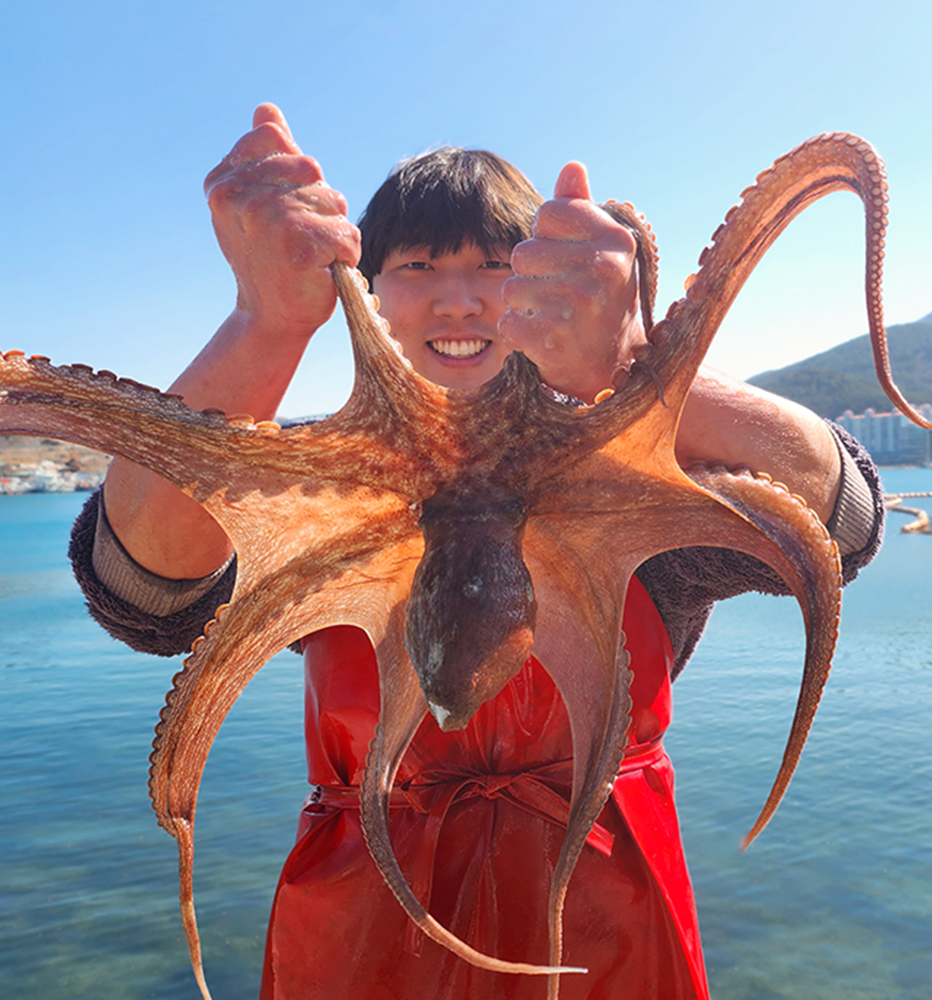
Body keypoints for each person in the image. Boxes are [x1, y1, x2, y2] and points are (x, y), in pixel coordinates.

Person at [69, 104, 883, 999]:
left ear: (543, 282)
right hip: (364, 928)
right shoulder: (320, 489)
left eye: (495, 266)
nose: (457, 299)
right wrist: (265, 322)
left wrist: (635, 361)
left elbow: (836, 521)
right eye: (417, 267)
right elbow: (147, 592)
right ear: (369, 290)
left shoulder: (636, 486)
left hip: (608, 925)